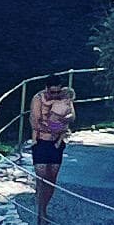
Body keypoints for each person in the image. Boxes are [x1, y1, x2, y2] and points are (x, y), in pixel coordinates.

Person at [28, 77, 75, 211]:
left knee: (52, 178)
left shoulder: (64, 98)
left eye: (58, 92)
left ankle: (44, 206)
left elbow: (72, 116)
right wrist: (59, 127)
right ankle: (41, 209)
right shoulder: (38, 99)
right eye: (52, 92)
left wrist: (63, 121)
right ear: (46, 89)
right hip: (41, 142)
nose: (55, 95)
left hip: (56, 143)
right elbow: (36, 122)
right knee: (41, 176)